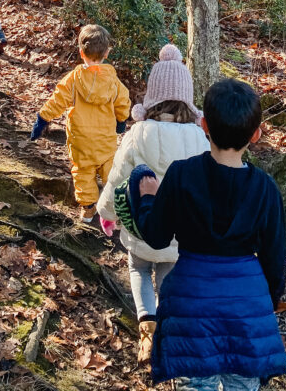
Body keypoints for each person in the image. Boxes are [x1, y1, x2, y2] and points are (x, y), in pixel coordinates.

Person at [134, 77, 286, 391]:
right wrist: (263, 305)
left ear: (203, 125)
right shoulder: (265, 189)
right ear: (256, 135)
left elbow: (157, 236)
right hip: (247, 309)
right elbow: (275, 260)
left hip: (192, 305)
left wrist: (147, 198)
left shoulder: (181, 174)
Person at [96, 45, 209, 365]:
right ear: (187, 97)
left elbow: (118, 178)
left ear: (152, 96)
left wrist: (106, 213)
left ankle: (148, 328)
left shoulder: (138, 132)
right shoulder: (200, 139)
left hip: (143, 230)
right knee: (169, 277)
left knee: (139, 269)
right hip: (180, 236)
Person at [30, 24, 131, 223]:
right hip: (105, 139)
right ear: (107, 52)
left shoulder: (73, 80)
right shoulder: (112, 81)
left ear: (80, 52)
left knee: (82, 172)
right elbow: (123, 102)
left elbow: (57, 101)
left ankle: (88, 209)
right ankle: (113, 209)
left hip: (80, 140)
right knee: (110, 171)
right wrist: (121, 121)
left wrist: (42, 119)